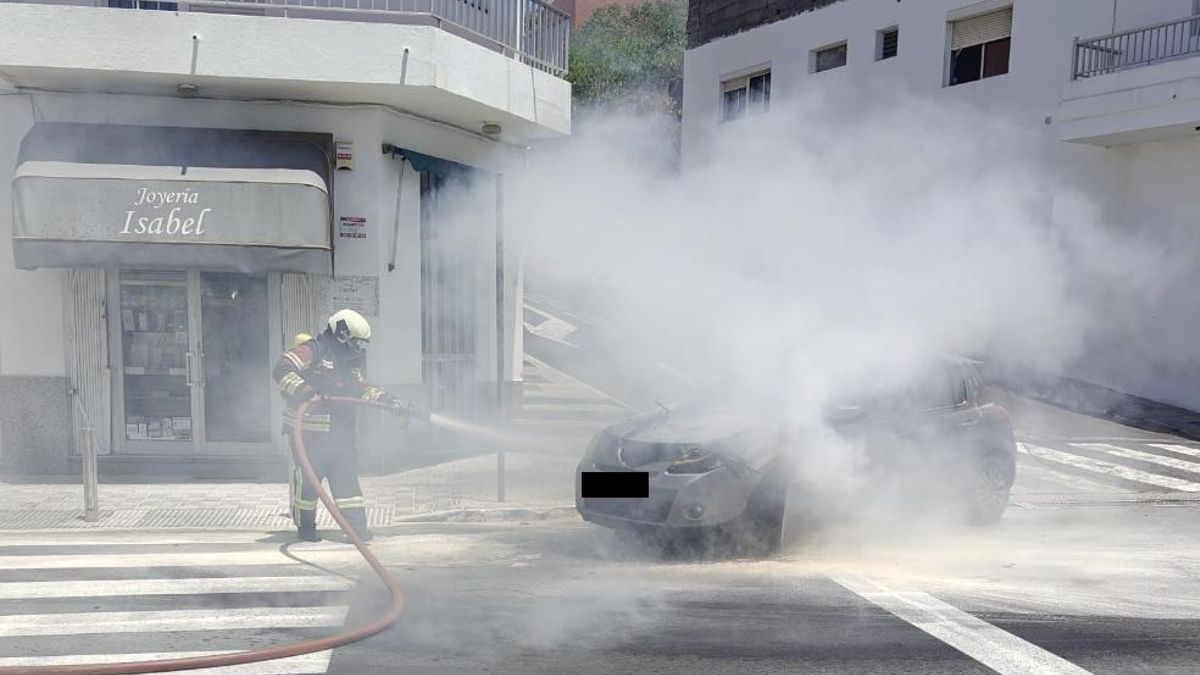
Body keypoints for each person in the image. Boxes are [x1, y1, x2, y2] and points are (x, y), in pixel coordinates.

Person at [273, 308, 410, 542]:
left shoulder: (349, 363)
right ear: (342, 333)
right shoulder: (311, 350)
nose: (358, 348)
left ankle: (357, 531)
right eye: (355, 341)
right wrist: (305, 391)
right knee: (308, 485)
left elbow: (363, 388)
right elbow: (282, 370)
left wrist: (389, 401)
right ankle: (306, 530)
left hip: (341, 436)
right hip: (308, 438)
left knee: (347, 483)